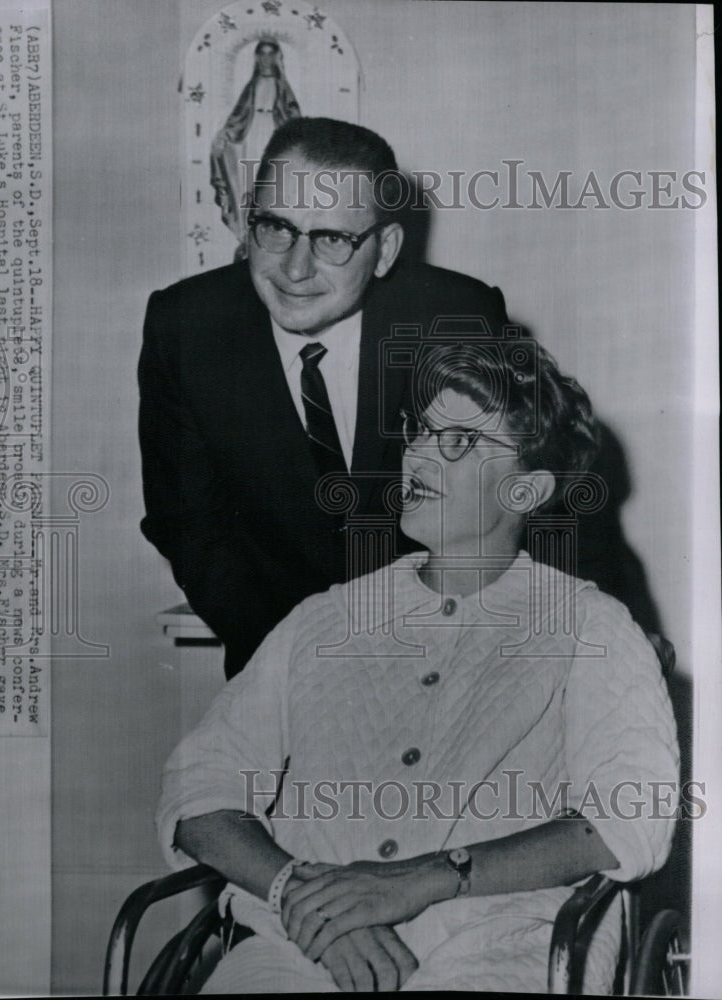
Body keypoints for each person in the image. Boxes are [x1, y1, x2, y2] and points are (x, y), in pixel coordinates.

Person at [156, 339, 679, 993]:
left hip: (502, 952)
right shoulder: (323, 621)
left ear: (526, 488)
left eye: (458, 440)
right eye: (419, 429)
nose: (418, 454)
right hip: (303, 948)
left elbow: (631, 818)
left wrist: (428, 876)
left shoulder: (590, 627)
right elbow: (199, 791)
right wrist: (298, 894)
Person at [139, 117, 509, 677]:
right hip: (278, 662)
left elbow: (516, 497)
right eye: (275, 227)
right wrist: (303, 659)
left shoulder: (456, 318)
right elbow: (190, 526)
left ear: (384, 250)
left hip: (449, 654)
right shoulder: (187, 327)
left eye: (332, 238)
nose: (294, 267)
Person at [210, 39, 301, 254]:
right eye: (262, 54)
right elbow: (239, 117)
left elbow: (292, 117)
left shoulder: (283, 87)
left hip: (273, 135)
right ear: (257, 58)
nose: (266, 59)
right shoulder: (251, 87)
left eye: (271, 54)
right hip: (252, 138)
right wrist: (224, 135)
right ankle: (246, 229)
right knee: (248, 181)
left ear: (278, 58)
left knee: (270, 180)